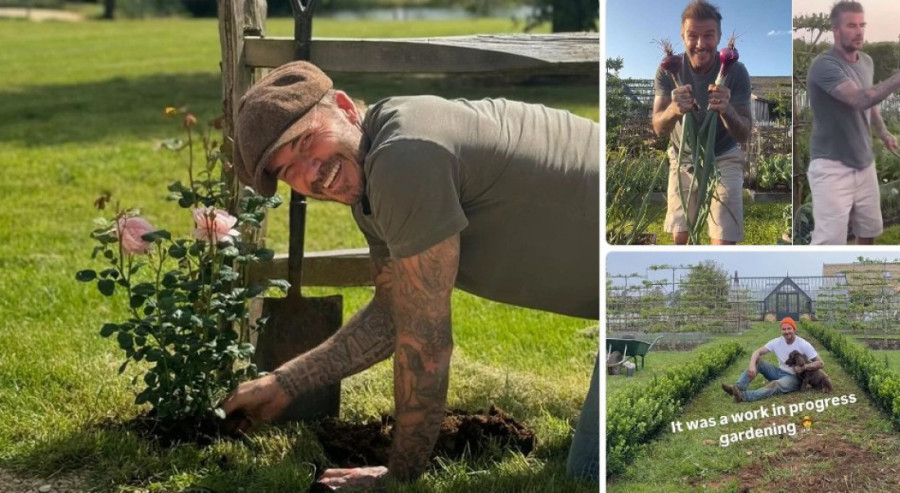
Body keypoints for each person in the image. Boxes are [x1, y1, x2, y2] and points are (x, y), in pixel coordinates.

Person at [220, 61, 600, 488]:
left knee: (590, 474)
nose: (311, 172)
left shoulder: (403, 158)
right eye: (289, 170)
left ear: (344, 107)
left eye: (307, 141)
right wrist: (285, 383)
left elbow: (427, 346)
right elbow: (393, 314)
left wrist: (397, 478)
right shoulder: (371, 182)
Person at [652, 0, 752, 245]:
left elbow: (744, 134)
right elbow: (659, 128)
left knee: (723, 239)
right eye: (692, 35)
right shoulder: (667, 71)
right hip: (683, 156)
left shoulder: (736, 71)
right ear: (682, 37)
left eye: (708, 35)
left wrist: (727, 109)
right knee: (681, 236)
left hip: (723, 155)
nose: (700, 43)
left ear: (718, 37)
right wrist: (674, 109)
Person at [806, 0, 900, 245]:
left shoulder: (866, 61)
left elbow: (871, 100)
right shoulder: (824, 65)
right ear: (836, 30)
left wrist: (884, 133)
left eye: (862, 25)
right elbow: (860, 99)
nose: (859, 32)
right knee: (830, 242)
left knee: (868, 232)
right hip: (831, 165)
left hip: (864, 163)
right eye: (851, 26)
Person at [721, 317, 825, 403]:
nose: (786, 331)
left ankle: (743, 396)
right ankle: (737, 388)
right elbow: (757, 352)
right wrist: (752, 365)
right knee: (758, 361)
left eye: (789, 328)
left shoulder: (803, 344)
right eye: (784, 329)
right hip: (779, 372)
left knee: (775, 384)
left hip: (795, 378)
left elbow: (820, 363)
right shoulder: (777, 342)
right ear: (781, 331)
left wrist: (804, 367)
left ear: (794, 329)